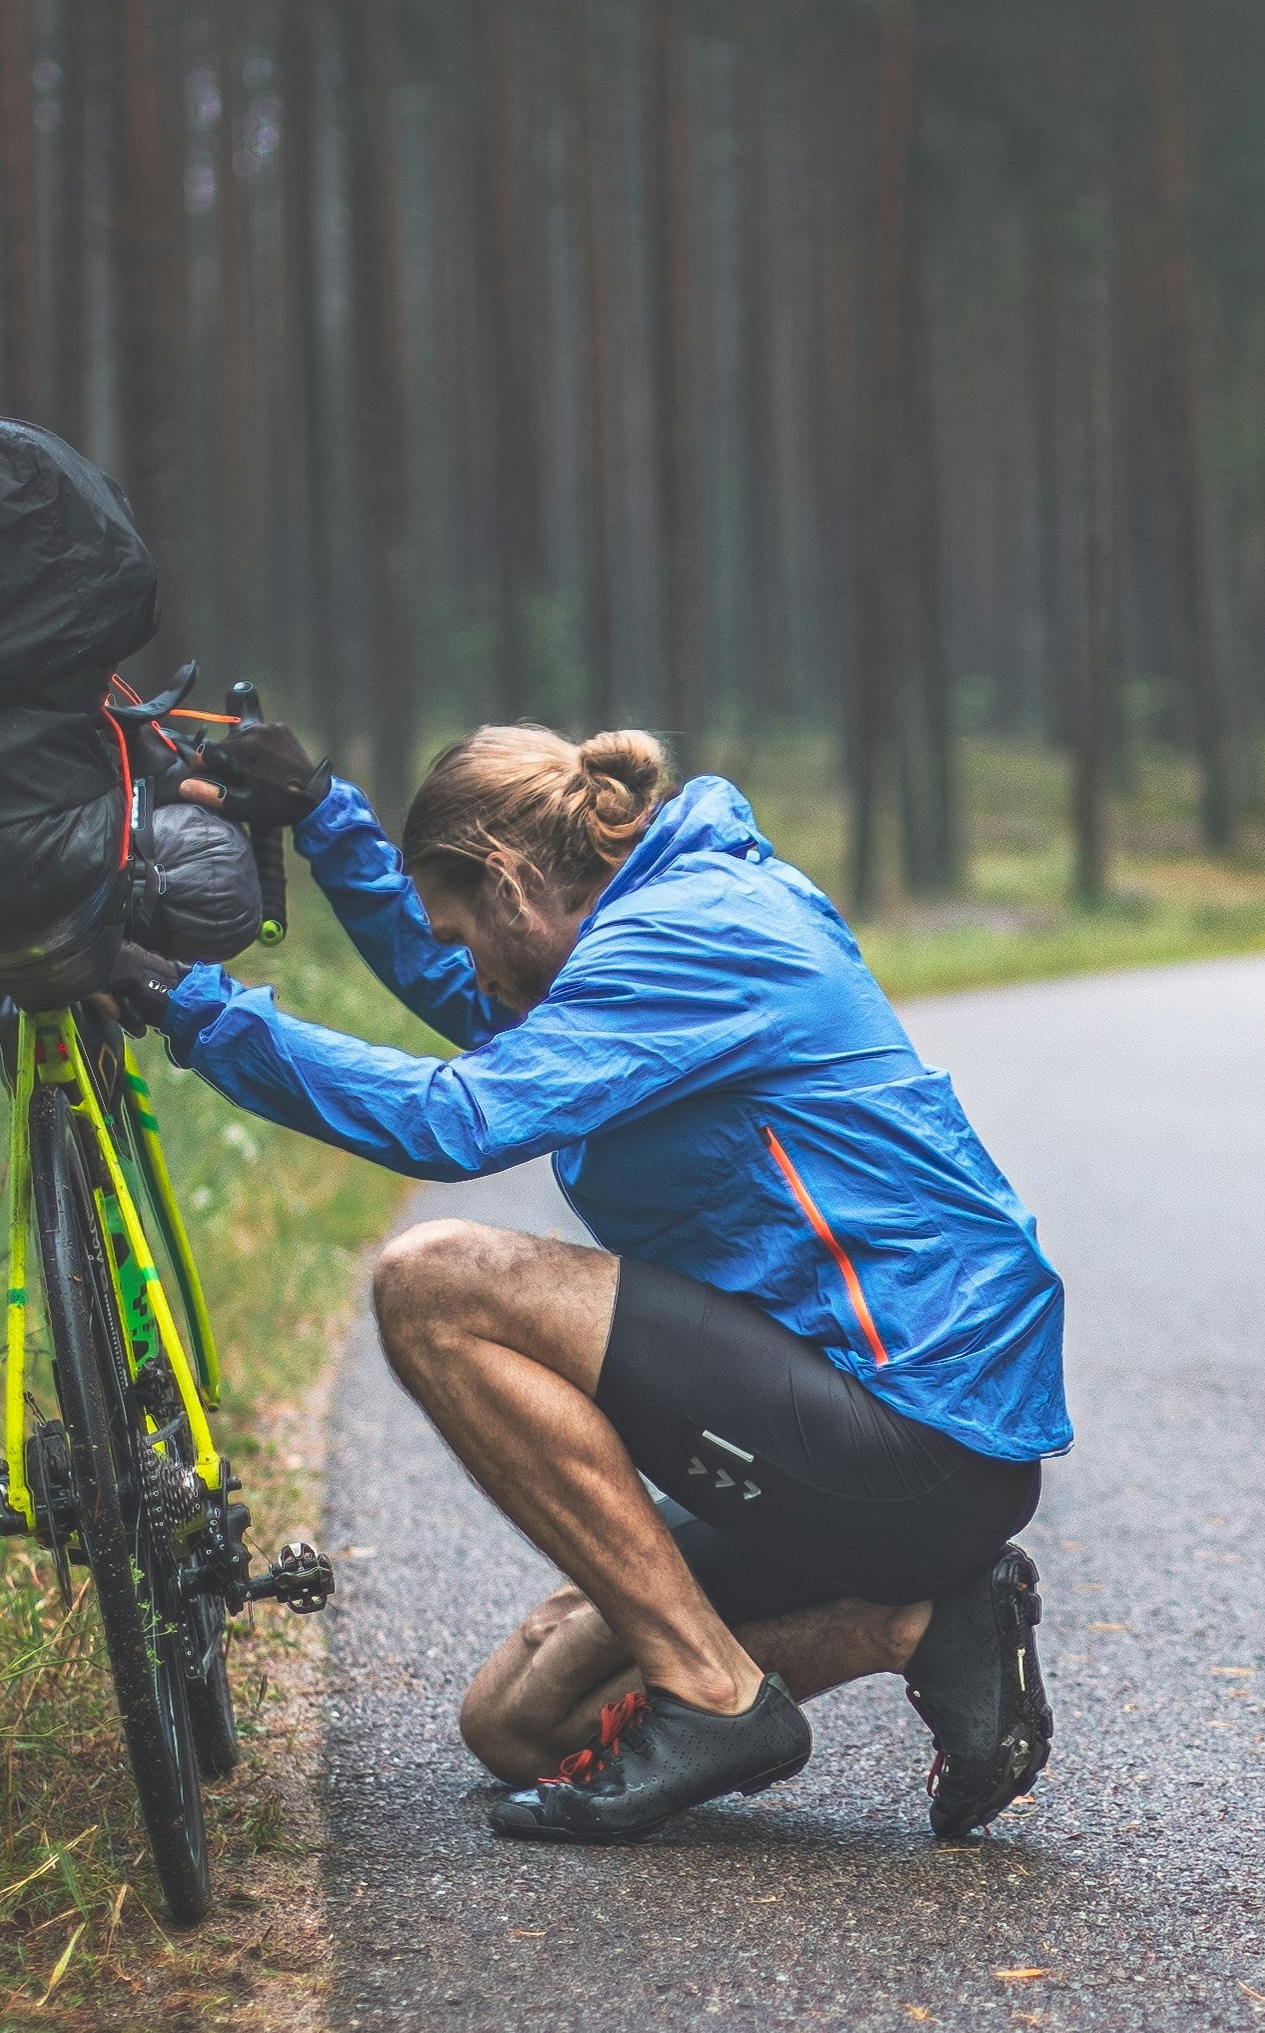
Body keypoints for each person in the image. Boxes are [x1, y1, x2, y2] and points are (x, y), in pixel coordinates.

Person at [108, 715, 1066, 1846]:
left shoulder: (696, 934)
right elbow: (488, 1007)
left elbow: (456, 1115)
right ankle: (917, 1620)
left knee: (436, 1279)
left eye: (467, 929)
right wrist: (325, 817)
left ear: (513, 880)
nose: (469, 965)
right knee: (518, 1725)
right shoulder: (650, 929)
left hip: (912, 1433)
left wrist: (189, 1003)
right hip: (853, 1442)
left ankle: (714, 1691)